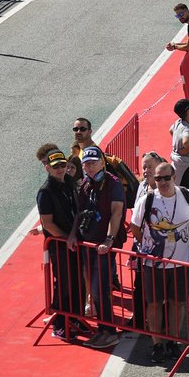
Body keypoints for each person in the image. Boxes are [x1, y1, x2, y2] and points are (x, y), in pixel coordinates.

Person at [130, 160, 189, 365]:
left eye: (166, 178)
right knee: (154, 304)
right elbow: (135, 227)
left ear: (174, 177)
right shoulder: (148, 199)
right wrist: (147, 245)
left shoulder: (186, 195)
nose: (162, 182)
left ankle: (173, 341)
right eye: (158, 178)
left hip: (181, 263)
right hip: (154, 263)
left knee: (178, 303)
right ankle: (157, 344)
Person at [76, 146, 125, 350]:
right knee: (94, 290)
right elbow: (80, 213)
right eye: (86, 164)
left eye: (93, 162)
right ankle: (103, 330)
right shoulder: (85, 183)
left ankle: (109, 332)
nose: (89, 167)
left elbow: (117, 213)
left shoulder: (113, 184)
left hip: (103, 246)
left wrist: (109, 239)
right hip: (88, 244)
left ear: (102, 162)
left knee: (100, 289)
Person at [36, 145, 84, 341]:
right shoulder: (45, 192)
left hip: (73, 242)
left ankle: (76, 317)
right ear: (47, 167)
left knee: (78, 282)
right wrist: (67, 239)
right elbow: (47, 223)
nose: (60, 168)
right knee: (63, 283)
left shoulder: (69, 183)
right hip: (59, 246)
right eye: (56, 166)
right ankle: (60, 324)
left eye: (62, 165)